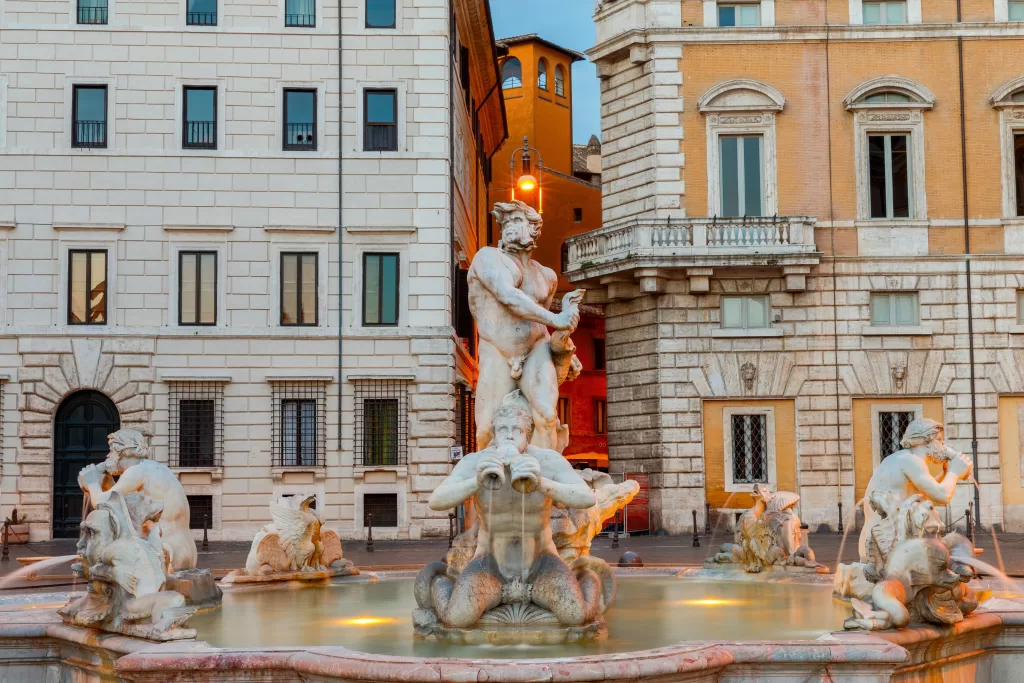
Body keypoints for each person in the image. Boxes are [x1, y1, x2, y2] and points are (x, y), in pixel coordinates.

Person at [421, 391, 603, 628]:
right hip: (491, 564)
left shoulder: (546, 461)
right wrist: (476, 481)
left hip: (540, 562)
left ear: (528, 436)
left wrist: (542, 482)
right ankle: (440, 582)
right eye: (502, 429)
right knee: (457, 618)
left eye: (516, 430)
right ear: (494, 434)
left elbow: (586, 498)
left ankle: (586, 577)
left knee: (575, 615)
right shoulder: (476, 461)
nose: (509, 435)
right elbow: (436, 500)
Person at [468, 200, 584, 450]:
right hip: (498, 350)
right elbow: (508, 297)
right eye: (506, 222)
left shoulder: (547, 276)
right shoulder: (487, 258)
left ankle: (543, 482)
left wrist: (565, 346)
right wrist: (557, 319)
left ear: (534, 228)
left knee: (546, 416)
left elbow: (538, 318)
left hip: (536, 350)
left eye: (517, 220)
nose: (509, 226)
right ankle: (489, 485)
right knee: (486, 430)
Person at [78, 429, 198, 572]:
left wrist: (92, 483)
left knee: (108, 555)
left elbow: (101, 503)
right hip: (184, 552)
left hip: (165, 554)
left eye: (111, 451)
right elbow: (122, 504)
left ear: (125, 451)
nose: (108, 456)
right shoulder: (156, 468)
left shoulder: (137, 471)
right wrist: (107, 484)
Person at [858, 418, 973, 560]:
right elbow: (942, 496)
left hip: (873, 544)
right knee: (958, 544)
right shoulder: (912, 461)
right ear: (927, 441)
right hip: (887, 548)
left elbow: (924, 494)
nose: (944, 445)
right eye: (940, 440)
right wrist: (954, 472)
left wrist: (945, 473)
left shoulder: (898, 458)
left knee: (948, 546)